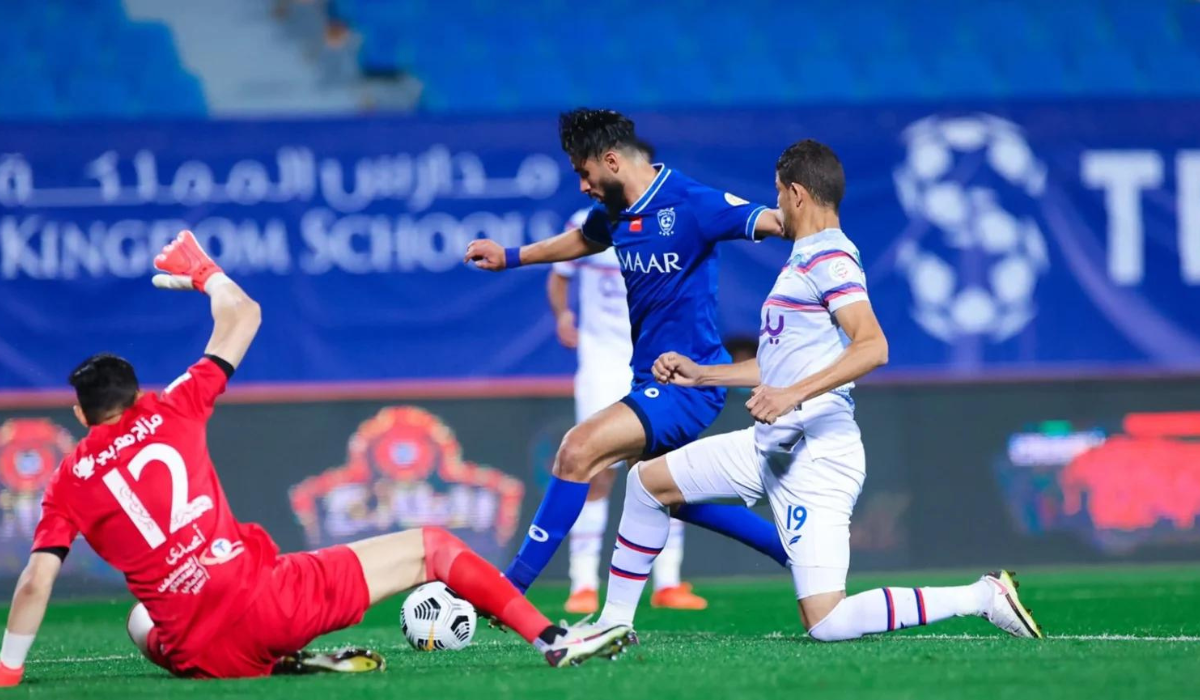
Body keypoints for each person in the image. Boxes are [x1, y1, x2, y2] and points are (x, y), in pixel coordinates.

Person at [0, 232, 631, 686]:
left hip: (202, 650)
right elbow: (243, 315)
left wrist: (8, 670)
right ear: (135, 396)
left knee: (142, 622)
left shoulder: (65, 481)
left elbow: (35, 582)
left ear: (80, 416)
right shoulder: (171, 408)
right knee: (433, 545)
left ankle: (273, 664)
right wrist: (204, 271)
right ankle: (553, 640)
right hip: (267, 603)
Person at [591, 139, 1044, 641]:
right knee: (647, 483)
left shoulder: (830, 257)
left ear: (798, 194)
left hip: (817, 457)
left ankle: (982, 596)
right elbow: (779, 365)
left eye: (779, 193)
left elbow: (873, 346)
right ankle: (613, 624)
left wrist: (792, 395)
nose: (777, 205)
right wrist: (703, 373)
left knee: (827, 623)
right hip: (768, 447)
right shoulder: (803, 258)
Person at [465, 108, 793, 597]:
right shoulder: (615, 211)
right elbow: (583, 238)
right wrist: (511, 257)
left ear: (612, 161)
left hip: (686, 385)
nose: (581, 185)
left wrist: (813, 226)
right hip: (645, 379)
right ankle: (792, 549)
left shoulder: (692, 203)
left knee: (578, 450)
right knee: (666, 492)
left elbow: (777, 223)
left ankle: (509, 588)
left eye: (583, 171)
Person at [548, 208, 705, 615]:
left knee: (660, 467)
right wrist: (563, 313)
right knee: (596, 470)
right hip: (602, 361)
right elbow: (559, 275)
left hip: (653, 359)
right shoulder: (586, 221)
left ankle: (668, 581)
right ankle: (583, 583)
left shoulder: (667, 218)